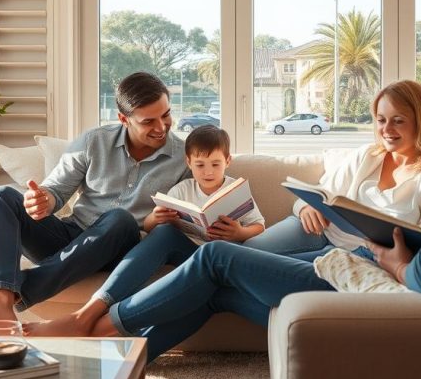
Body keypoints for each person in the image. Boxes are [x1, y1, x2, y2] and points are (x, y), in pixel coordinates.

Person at [39, 8, 421, 362]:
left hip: (403, 303)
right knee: (218, 287)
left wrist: (383, 250)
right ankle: (125, 360)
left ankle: (95, 332)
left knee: (219, 259)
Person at [0, 71, 192, 336]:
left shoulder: (183, 157)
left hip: (123, 245)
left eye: (166, 115)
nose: (162, 127)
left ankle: (14, 293)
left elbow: (189, 208)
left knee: (119, 219)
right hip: (73, 237)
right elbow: (55, 190)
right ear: (123, 119)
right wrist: (42, 201)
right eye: (148, 121)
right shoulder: (93, 141)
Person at [26, 125, 265, 336]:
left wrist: (239, 233)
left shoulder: (236, 189)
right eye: (200, 165)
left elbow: (259, 225)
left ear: (228, 161)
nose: (208, 172)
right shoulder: (183, 188)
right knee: (163, 233)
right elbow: (150, 228)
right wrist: (157, 218)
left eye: (215, 164)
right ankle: (89, 314)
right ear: (189, 163)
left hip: (223, 255)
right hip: (190, 253)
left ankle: (89, 324)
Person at [244, 80, 421, 262]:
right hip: (319, 229)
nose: (386, 130)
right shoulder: (368, 155)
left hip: (359, 255)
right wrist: (305, 208)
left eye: (398, 121)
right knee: (245, 252)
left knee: (237, 266)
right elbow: (321, 193)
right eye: (381, 120)